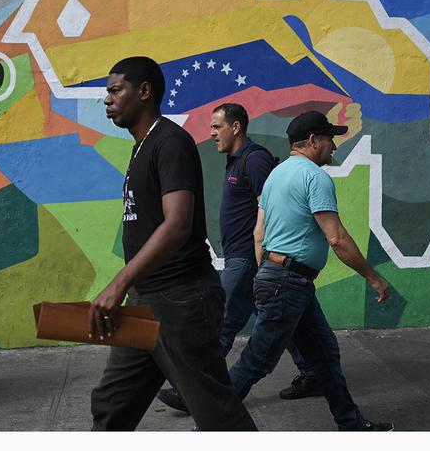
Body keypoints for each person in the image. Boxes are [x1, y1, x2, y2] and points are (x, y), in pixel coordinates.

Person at [88, 57, 257, 431]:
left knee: (217, 415)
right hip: (148, 300)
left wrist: (119, 282)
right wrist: (132, 288)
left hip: (181, 301)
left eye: (116, 90)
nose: (107, 99)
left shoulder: (170, 143)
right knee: (112, 404)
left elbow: (177, 223)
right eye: (108, 92)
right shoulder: (141, 147)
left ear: (144, 91)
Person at [226, 111, 394, 430]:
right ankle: (207, 424)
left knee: (325, 354)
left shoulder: (275, 175)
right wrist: (374, 277)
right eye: (330, 139)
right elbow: (337, 238)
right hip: (288, 282)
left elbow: (258, 233)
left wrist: (267, 273)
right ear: (314, 141)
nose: (335, 146)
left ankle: (351, 424)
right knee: (256, 361)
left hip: (285, 279)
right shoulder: (315, 178)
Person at [156, 103, 323, 414]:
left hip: (248, 259)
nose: (212, 133)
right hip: (243, 258)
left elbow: (273, 208)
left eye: (217, 127)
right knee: (285, 320)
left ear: (236, 127)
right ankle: (314, 373)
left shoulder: (255, 159)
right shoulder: (236, 161)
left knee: (221, 324)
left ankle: (194, 391)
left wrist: (264, 262)